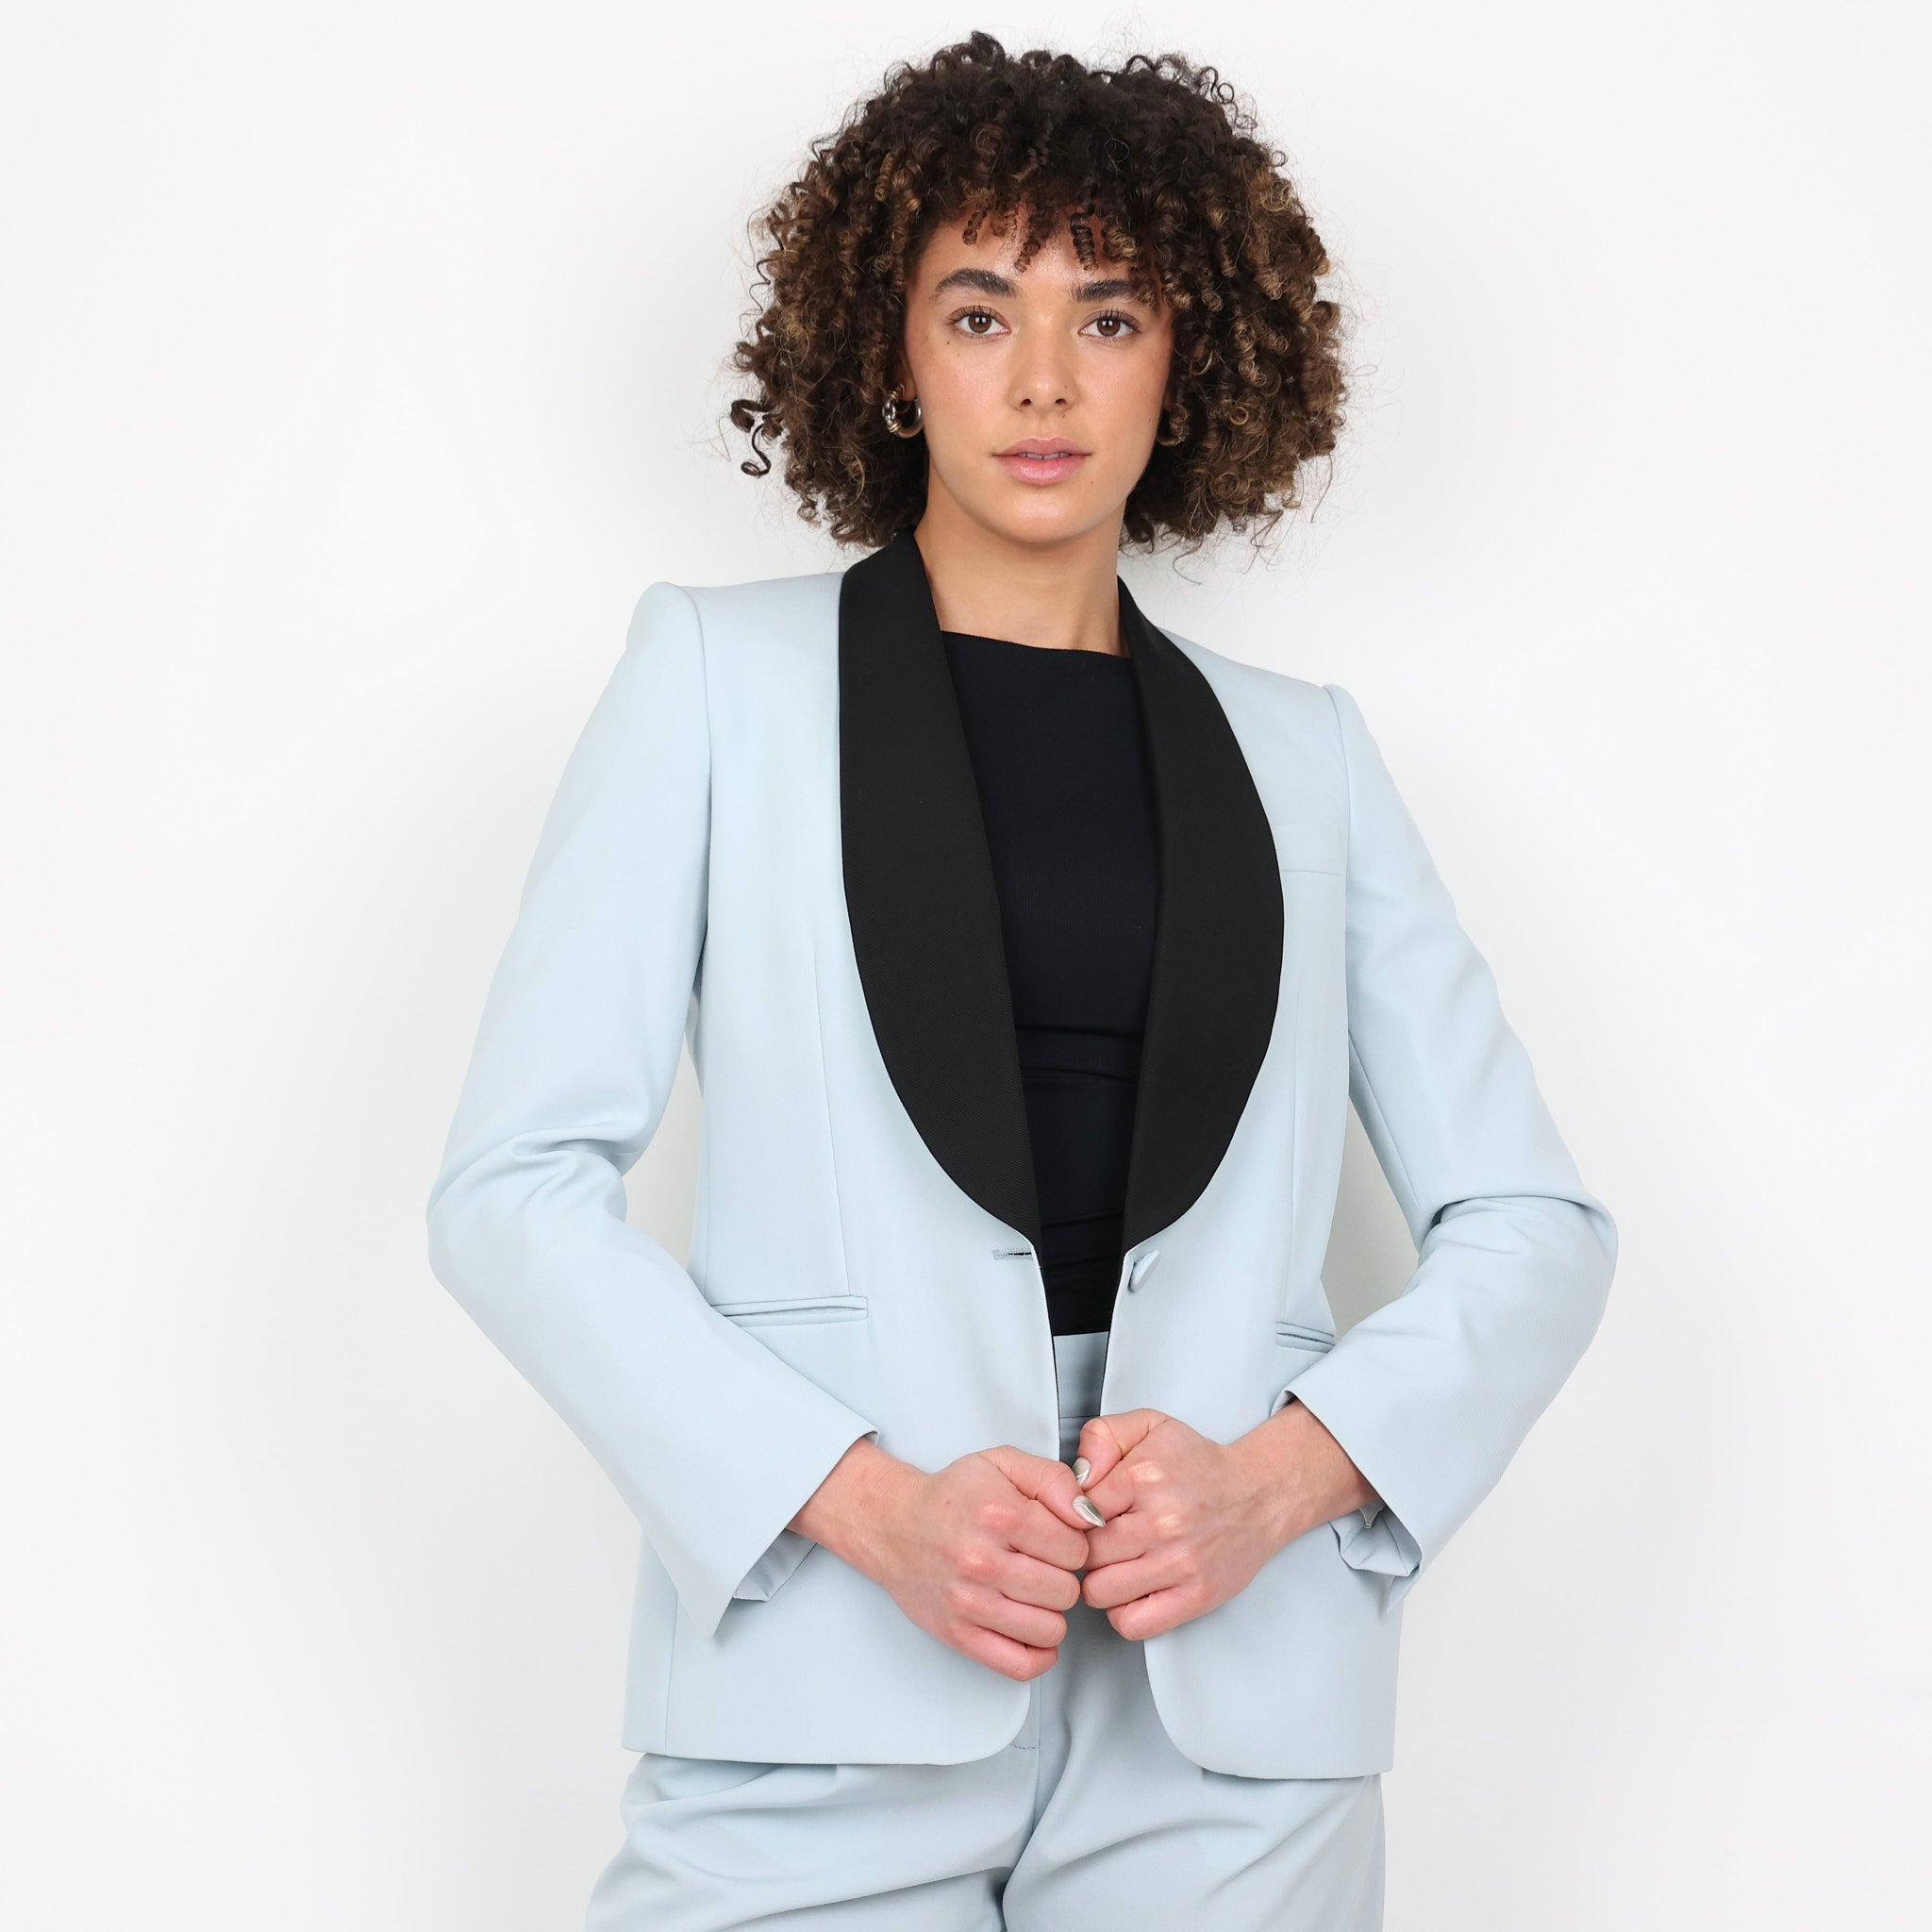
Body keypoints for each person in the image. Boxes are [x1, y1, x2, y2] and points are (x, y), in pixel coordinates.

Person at [425, 32, 1617, 1930]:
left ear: (1188, 360)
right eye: (980, 313)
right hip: (829, 1670)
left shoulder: (1305, 755)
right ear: (891, 356)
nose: (1045, 380)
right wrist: (859, 1499)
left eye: (1109, 316)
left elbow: (1533, 1226)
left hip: (1233, 1721)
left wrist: (1278, 1483)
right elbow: (511, 1193)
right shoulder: (716, 686)